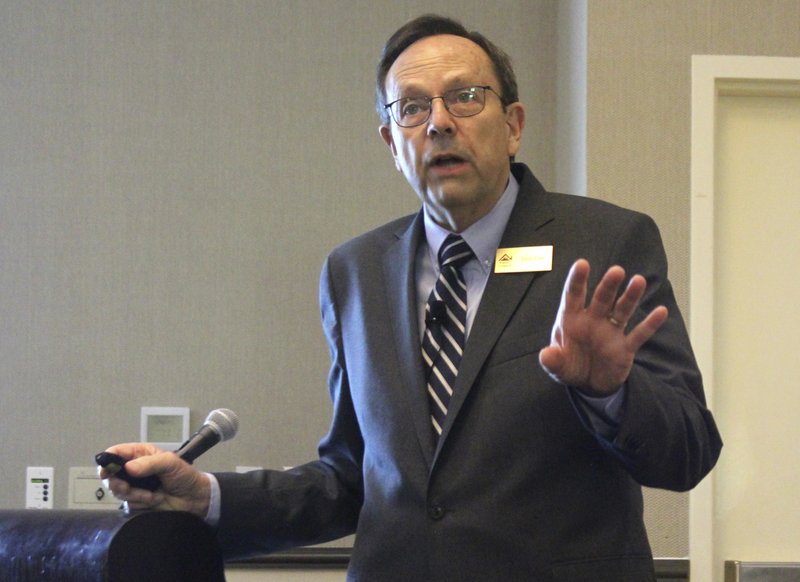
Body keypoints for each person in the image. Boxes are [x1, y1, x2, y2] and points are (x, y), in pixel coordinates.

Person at [101, 14, 722, 581]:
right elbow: (350, 478)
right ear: (392, 145)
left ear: (513, 127)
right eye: (413, 107)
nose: (440, 122)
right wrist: (205, 494)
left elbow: (688, 451)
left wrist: (610, 392)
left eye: (466, 97)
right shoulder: (354, 271)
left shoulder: (607, 242)